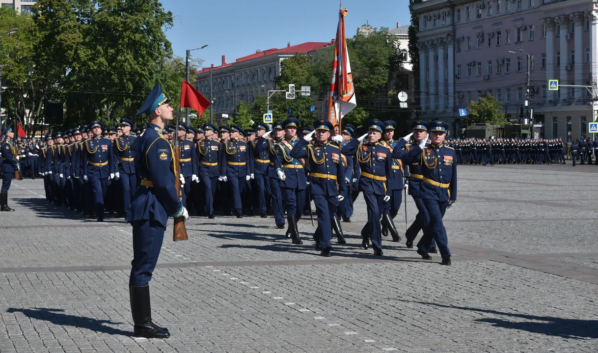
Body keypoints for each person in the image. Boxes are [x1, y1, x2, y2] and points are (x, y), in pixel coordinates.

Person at [128, 83, 188, 339]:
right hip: (152, 207)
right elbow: (163, 183)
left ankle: (144, 322)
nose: (171, 108)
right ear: (156, 111)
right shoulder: (157, 142)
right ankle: (142, 324)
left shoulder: (147, 138)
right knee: (144, 265)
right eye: (166, 105)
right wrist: (177, 208)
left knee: (142, 263)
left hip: (146, 202)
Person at [400, 120, 457, 266]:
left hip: (444, 193)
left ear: (445, 135)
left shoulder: (450, 151)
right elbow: (405, 159)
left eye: (440, 133)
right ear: (429, 135)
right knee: (437, 223)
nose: (437, 136)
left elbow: (453, 175)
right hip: (428, 193)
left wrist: (453, 195)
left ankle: (422, 246)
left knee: (433, 224)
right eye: (434, 133)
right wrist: (419, 147)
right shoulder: (423, 149)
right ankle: (445, 253)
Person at [290, 120, 347, 256]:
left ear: (329, 134)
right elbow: (294, 154)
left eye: (324, 132)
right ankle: (326, 245)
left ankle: (317, 237)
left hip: (332, 188)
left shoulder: (335, 149)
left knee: (330, 215)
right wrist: (304, 140)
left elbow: (340, 172)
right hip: (317, 187)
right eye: (318, 131)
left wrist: (343, 189)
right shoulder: (310, 148)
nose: (321, 134)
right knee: (323, 215)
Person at [342, 119, 394, 256]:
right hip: (367, 184)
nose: (371, 135)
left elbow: (390, 173)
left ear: (380, 135)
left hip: (381, 185)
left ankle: (365, 233)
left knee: (377, 214)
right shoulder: (361, 147)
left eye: (374, 133)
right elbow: (345, 150)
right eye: (370, 132)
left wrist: (389, 190)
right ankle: (377, 245)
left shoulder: (386, 150)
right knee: (374, 212)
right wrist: (357, 139)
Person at [274, 117, 307, 244]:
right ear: (285, 130)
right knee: (291, 205)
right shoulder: (280, 145)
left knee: (300, 207)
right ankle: (295, 235)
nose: (292, 130)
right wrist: (278, 170)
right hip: (288, 176)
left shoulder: (303, 143)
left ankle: (291, 227)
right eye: (289, 128)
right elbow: (277, 160)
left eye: (294, 128)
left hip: (301, 176)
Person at [82, 121, 115, 222]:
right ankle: (100, 214)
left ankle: (99, 208)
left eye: (98, 128)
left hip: (105, 170)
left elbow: (111, 157)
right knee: (98, 191)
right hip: (93, 171)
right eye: (94, 128)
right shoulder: (87, 143)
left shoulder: (107, 141)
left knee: (104, 191)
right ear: (92, 130)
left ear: (101, 130)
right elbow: (84, 159)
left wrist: (112, 171)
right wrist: (84, 173)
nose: (96, 129)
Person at [380, 120, 405, 242]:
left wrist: (407, 178)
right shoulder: (380, 145)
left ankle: (385, 222)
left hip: (398, 178)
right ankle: (394, 233)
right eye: (387, 131)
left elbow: (404, 162)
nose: (389, 133)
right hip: (385, 178)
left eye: (391, 131)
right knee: (386, 208)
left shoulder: (397, 145)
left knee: (396, 207)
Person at [222, 124, 252, 218]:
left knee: (240, 190)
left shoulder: (244, 144)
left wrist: (248, 172)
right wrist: (223, 173)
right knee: (235, 189)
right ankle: (239, 210)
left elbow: (247, 159)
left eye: (233, 132)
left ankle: (234, 207)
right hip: (231, 170)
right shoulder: (226, 144)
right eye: (231, 132)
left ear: (238, 134)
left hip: (242, 170)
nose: (231, 133)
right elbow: (223, 160)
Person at [197, 123, 223, 218]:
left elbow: (220, 159)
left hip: (214, 169)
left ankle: (206, 207)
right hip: (204, 168)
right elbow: (198, 158)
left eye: (208, 130)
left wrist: (220, 171)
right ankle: (210, 211)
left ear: (212, 132)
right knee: (208, 188)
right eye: (205, 130)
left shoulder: (217, 144)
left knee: (212, 190)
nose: (206, 131)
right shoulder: (200, 143)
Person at [114, 118, 137, 218]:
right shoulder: (118, 140)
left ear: (129, 128)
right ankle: (127, 212)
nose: (122, 128)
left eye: (124, 126)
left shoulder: (135, 139)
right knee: (126, 189)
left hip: (134, 167)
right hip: (123, 167)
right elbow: (115, 156)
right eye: (122, 126)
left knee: (134, 190)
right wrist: (115, 170)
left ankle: (134, 210)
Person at [251, 123, 271, 218]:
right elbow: (251, 156)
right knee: (261, 189)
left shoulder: (270, 141)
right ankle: (263, 209)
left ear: (265, 131)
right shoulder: (253, 142)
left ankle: (268, 206)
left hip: (268, 167)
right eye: (257, 130)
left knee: (269, 190)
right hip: (258, 167)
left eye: (260, 130)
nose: (258, 131)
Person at [1, 126, 18, 211]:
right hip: (7, 167)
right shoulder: (6, 144)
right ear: (7, 134)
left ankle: (4, 204)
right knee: (5, 186)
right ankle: (3, 206)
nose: (13, 133)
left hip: (8, 166)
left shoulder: (9, 143)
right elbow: (7, 156)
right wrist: (15, 163)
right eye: (11, 132)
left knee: (6, 186)